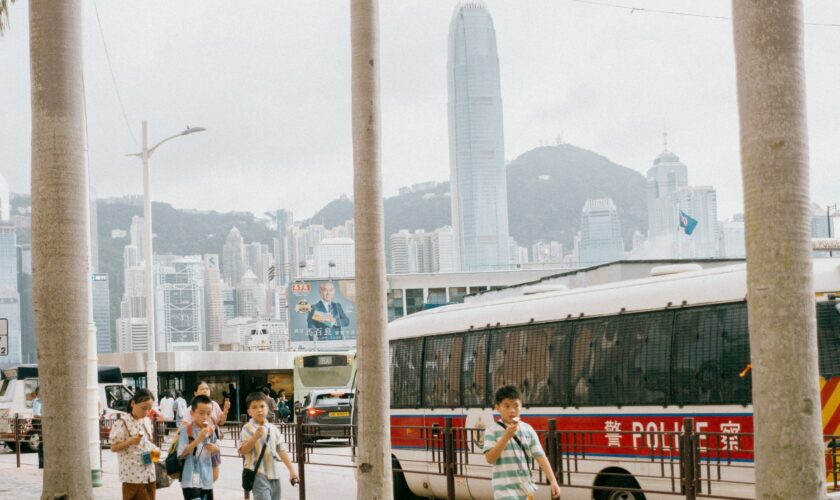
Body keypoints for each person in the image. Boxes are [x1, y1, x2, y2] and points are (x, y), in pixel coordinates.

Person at [483, 385, 561, 500]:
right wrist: (506, 437)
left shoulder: (528, 429)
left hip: (525, 489)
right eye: (507, 406)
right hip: (504, 490)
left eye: (516, 405)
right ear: (497, 407)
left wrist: (553, 481)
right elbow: (490, 458)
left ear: (521, 407)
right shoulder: (492, 430)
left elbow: (540, 456)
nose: (512, 410)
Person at [239, 392, 299, 500]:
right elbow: (242, 450)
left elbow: (281, 449)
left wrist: (292, 470)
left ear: (267, 408)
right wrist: (255, 437)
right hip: (258, 474)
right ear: (249, 411)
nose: (259, 410)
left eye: (262, 406)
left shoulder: (273, 428)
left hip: (274, 474)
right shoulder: (247, 428)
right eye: (254, 407)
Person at [111, 388, 161, 500]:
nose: (146, 412)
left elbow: (148, 443)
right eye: (143, 408)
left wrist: (156, 452)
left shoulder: (147, 421)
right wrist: (130, 441)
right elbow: (113, 447)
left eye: (149, 409)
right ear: (133, 403)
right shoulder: (122, 422)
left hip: (149, 474)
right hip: (132, 477)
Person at [181, 381, 231, 480]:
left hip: (212, 441)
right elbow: (183, 427)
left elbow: (221, 422)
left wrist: (225, 411)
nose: (205, 390)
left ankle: (205, 490)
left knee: (214, 476)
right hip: (198, 444)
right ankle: (199, 491)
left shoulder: (214, 404)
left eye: (207, 388)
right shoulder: (191, 409)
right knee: (198, 474)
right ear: (195, 393)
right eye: (202, 389)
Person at [178, 395, 219, 500]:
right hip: (190, 479)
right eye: (201, 413)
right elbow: (181, 454)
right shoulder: (186, 431)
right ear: (192, 413)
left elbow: (215, 453)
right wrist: (198, 439)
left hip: (207, 479)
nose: (205, 417)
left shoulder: (211, 432)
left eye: (208, 414)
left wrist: (215, 449)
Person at [32, 387, 43, 469]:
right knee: (42, 443)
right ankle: (41, 464)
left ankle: (42, 464)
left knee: (42, 443)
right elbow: (36, 414)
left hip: (42, 423)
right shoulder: (37, 401)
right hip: (41, 424)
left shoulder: (41, 401)